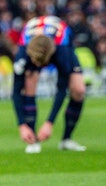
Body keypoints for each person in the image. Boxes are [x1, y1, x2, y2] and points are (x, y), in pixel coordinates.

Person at [12, 15, 87, 153]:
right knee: (29, 81)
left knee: (78, 90)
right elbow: (16, 91)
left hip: (62, 43)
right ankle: (32, 139)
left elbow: (61, 88)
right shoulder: (23, 52)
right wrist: (21, 125)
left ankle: (67, 139)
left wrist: (49, 122)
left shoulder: (62, 51)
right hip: (35, 40)